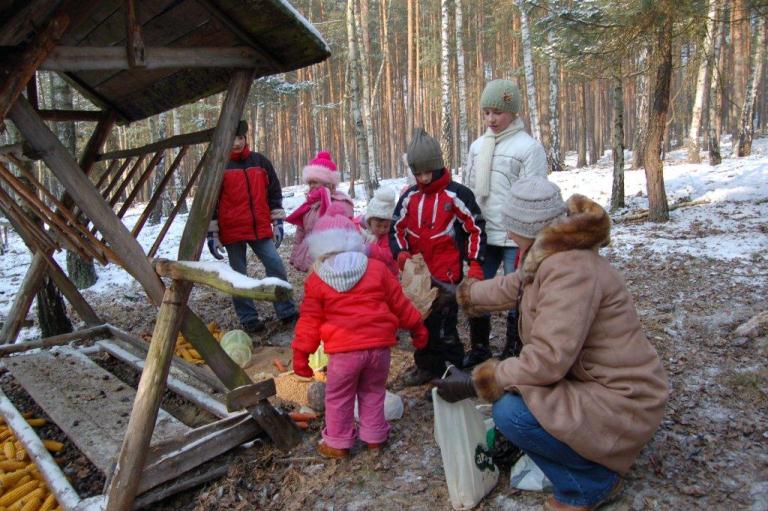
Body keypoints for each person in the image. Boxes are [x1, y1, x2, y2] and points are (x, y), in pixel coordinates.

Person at [433, 178, 669, 511]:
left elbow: (546, 361)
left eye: (510, 224)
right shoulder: (552, 254)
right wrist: (460, 294)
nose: (507, 231)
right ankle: (587, 460)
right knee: (518, 396)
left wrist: (477, 383)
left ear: (523, 228)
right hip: (596, 385)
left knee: (511, 413)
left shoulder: (570, 271)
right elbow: (512, 287)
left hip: (623, 400)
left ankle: (591, 483)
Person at [291, 213, 428, 458]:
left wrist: (301, 355)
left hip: (344, 353)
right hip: (379, 349)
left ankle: (338, 442)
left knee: (339, 397)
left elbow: (309, 321)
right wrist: (418, 328)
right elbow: (400, 304)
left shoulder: (317, 279)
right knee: (373, 391)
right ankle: (374, 437)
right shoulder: (376, 269)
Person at [390, 128, 486, 387]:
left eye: (428, 171)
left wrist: (475, 263)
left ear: (439, 165)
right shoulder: (409, 197)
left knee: (445, 328)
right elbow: (396, 228)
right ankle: (426, 367)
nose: (424, 178)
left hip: (447, 277)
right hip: (417, 277)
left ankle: (452, 372)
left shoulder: (457, 195)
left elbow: (475, 229)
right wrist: (401, 254)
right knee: (420, 323)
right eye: (418, 173)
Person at [462, 78, 549, 368]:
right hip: (484, 234)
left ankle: (515, 347)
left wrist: (530, 234)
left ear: (513, 112)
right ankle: (479, 347)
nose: (491, 119)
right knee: (478, 289)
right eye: (486, 112)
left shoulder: (529, 148)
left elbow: (535, 193)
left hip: (516, 236)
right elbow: (469, 189)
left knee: (519, 291)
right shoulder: (478, 147)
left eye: (497, 112)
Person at [206, 120, 297, 333]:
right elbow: (210, 203)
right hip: (232, 231)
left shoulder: (260, 162)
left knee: (275, 265)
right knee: (238, 275)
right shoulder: (219, 166)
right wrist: (212, 234)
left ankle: (286, 310)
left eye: (240, 138)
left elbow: (274, 193)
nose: (237, 143)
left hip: (260, 228)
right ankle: (249, 318)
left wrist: (278, 222)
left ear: (245, 138)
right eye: (232, 139)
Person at [286, 151, 354, 272]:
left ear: (328, 183)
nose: (311, 186)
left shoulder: (340, 203)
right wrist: (295, 254)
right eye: (310, 182)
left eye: (315, 182)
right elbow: (300, 232)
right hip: (308, 254)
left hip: (330, 257)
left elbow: (346, 233)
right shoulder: (309, 205)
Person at [359, 186, 398, 275]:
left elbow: (388, 255)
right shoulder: (365, 231)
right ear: (369, 222)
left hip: (388, 272)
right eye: (378, 226)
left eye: (386, 226)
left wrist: (371, 250)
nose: (382, 230)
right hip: (373, 270)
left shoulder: (388, 236)